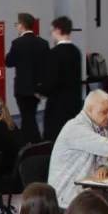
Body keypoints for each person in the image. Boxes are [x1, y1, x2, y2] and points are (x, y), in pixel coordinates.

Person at [4, 12, 50, 141]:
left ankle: (36, 142)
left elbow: (9, 62)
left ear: (22, 25)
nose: (17, 27)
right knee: (29, 115)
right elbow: (47, 64)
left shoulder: (17, 43)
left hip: (22, 88)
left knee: (27, 117)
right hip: (37, 87)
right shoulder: (43, 43)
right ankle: (24, 141)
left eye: (17, 24)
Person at [42, 16, 83, 144]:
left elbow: (51, 82)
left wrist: (40, 90)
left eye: (52, 31)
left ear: (58, 30)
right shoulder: (76, 52)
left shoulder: (54, 53)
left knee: (55, 140)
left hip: (57, 106)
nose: (52, 34)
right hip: (74, 103)